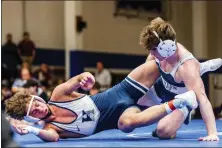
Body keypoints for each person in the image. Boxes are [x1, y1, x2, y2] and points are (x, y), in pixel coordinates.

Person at [5, 62, 199, 142]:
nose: (38, 109)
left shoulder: (58, 94)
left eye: (35, 104)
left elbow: (81, 77)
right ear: (30, 117)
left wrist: (87, 78)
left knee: (158, 61)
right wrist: (30, 130)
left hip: (121, 92)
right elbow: (51, 138)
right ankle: (181, 103)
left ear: (37, 98)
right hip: (123, 115)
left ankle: (195, 67)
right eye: (33, 111)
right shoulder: (52, 128)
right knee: (130, 125)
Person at [138, 17, 221, 141]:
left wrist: (212, 133)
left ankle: (186, 109)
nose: (151, 53)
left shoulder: (186, 67)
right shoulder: (159, 49)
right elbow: (144, 75)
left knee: (163, 132)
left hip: (181, 96)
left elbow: (203, 99)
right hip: (164, 86)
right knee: (135, 98)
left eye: (154, 50)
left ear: (167, 47)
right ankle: (202, 67)